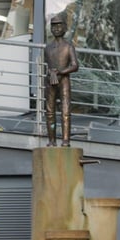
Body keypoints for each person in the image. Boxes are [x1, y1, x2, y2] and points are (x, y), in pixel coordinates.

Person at [44, 13, 79, 147]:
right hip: (50, 81)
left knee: (65, 111)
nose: (56, 28)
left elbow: (75, 66)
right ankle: (52, 140)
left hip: (64, 81)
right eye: (54, 26)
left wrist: (61, 72)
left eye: (59, 25)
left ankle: (65, 140)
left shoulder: (68, 47)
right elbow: (47, 65)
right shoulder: (48, 48)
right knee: (50, 111)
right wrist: (50, 73)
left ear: (64, 28)